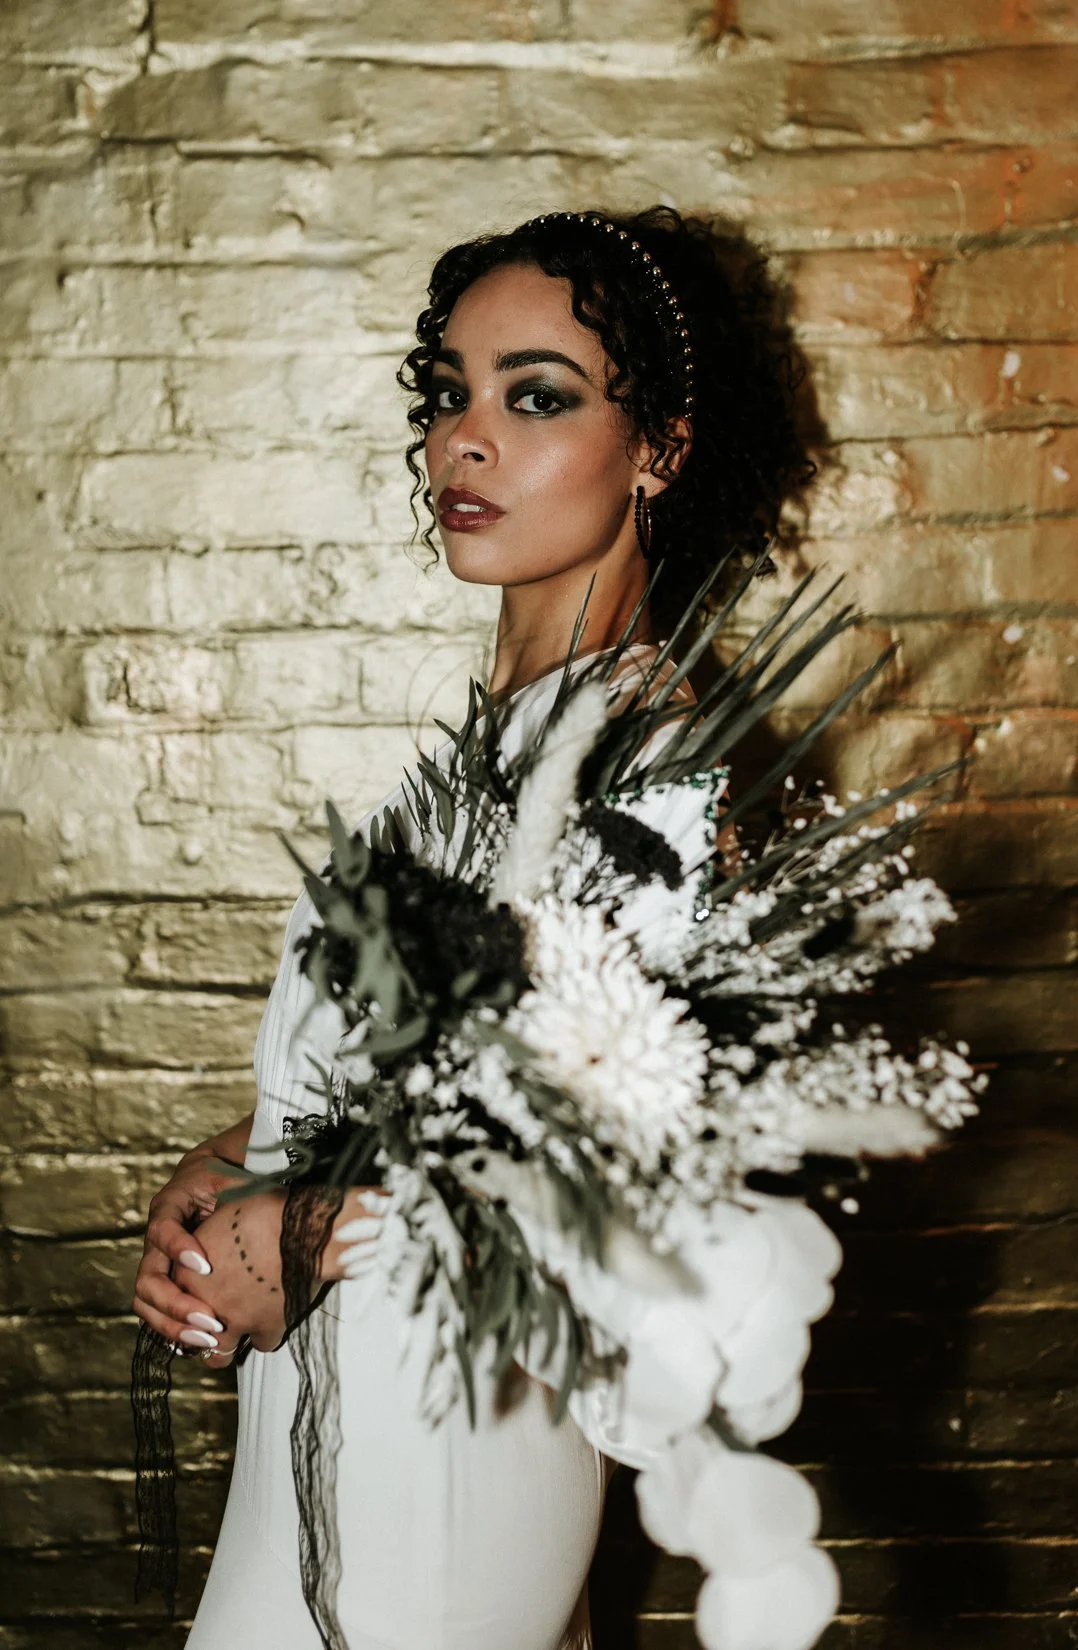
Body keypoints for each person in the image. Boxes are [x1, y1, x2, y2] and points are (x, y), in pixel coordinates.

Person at [132, 205, 812, 1650]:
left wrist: (306, 1217)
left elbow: (626, 1170)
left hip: (446, 1446)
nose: (463, 439)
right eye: (449, 392)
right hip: (335, 1409)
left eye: (537, 396)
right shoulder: (505, 737)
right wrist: (232, 1166)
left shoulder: (649, 765)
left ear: (659, 449)